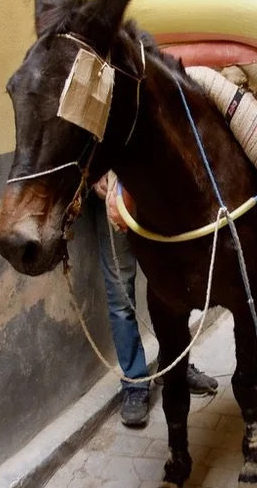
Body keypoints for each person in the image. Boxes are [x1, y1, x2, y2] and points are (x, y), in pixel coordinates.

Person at [91, 173, 218, 427]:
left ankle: (172, 365)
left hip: (155, 192)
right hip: (113, 198)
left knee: (170, 288)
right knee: (121, 296)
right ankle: (135, 384)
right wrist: (95, 175)